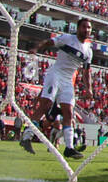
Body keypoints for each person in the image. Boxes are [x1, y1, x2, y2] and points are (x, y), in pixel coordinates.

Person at [20, 17, 93, 159]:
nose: (87, 30)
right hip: (56, 74)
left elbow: (86, 72)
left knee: (69, 112)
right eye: (84, 27)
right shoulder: (67, 38)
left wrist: (89, 89)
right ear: (78, 28)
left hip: (67, 80)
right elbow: (49, 42)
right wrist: (36, 48)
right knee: (45, 105)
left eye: (89, 27)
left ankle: (69, 148)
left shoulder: (88, 51)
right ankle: (26, 136)